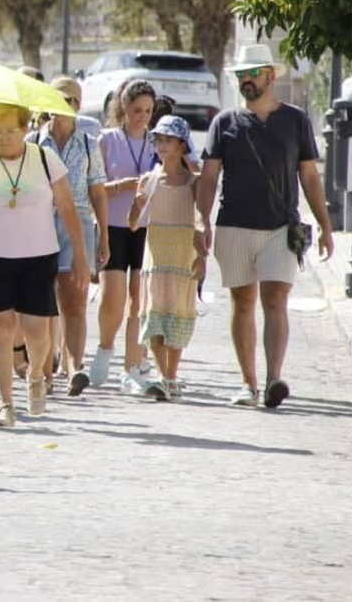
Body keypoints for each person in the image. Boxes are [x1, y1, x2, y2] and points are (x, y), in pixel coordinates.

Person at [197, 44, 334, 409]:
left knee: (275, 300)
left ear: (271, 76)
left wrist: (325, 224)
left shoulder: (295, 120)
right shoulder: (223, 123)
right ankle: (249, 383)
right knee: (242, 303)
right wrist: (201, 222)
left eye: (253, 73)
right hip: (234, 226)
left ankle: (274, 378)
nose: (246, 80)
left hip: (280, 227)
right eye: (241, 75)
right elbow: (209, 178)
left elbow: (309, 175)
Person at [0, 102, 88, 428]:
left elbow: (68, 208)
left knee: (36, 331)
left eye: (11, 131)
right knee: (2, 328)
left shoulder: (44, 159)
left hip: (39, 254)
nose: (5, 138)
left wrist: (81, 257)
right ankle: (5, 403)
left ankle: (37, 375)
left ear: (26, 129)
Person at [31, 77, 109, 395]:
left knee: (74, 300)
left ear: (78, 106)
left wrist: (104, 236)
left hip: (77, 222)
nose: (61, 108)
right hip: (39, 223)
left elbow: (99, 193)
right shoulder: (34, 143)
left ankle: (75, 367)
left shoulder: (89, 144)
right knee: (42, 301)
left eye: (69, 101)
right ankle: (45, 367)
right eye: (55, 100)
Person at [131, 115, 203, 401]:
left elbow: (202, 218)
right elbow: (134, 224)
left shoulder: (195, 182)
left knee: (178, 316)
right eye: (159, 140)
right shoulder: (149, 180)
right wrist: (136, 205)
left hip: (183, 254)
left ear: (182, 145)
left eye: (168, 140)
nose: (162, 145)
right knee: (156, 317)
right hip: (157, 254)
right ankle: (164, 377)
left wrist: (202, 255)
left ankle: (171, 376)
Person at [93, 79, 157, 395]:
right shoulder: (107, 140)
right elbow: (94, 188)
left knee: (138, 300)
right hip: (113, 226)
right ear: (123, 108)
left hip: (146, 228)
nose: (141, 116)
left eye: (147, 110)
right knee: (112, 296)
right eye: (136, 110)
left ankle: (132, 368)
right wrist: (124, 185)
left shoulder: (158, 142)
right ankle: (105, 347)